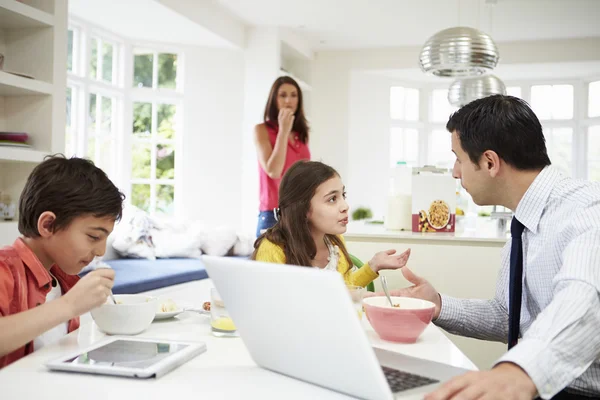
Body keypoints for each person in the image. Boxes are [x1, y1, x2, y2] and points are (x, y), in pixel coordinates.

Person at [378, 95, 600, 400]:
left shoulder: (587, 207)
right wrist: (438, 304)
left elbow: (585, 297)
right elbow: (510, 317)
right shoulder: (523, 226)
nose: (455, 173)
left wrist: (518, 372)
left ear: (490, 162)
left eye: (458, 158)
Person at [0, 155, 125, 368]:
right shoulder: (5, 269)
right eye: (94, 237)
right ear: (48, 225)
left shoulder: (64, 280)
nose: (101, 251)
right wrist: (69, 306)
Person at [252, 160, 411, 287]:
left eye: (343, 195)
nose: (345, 206)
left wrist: (373, 265)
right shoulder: (273, 250)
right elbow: (274, 306)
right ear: (302, 209)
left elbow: (345, 287)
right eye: (332, 199)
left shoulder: (334, 242)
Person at [254, 76, 311, 237]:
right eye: (283, 95)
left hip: (300, 213)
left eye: (294, 95)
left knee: (298, 262)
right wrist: (284, 131)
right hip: (273, 214)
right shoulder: (261, 130)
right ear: (274, 99)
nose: (288, 100)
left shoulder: (301, 133)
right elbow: (273, 170)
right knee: (267, 262)